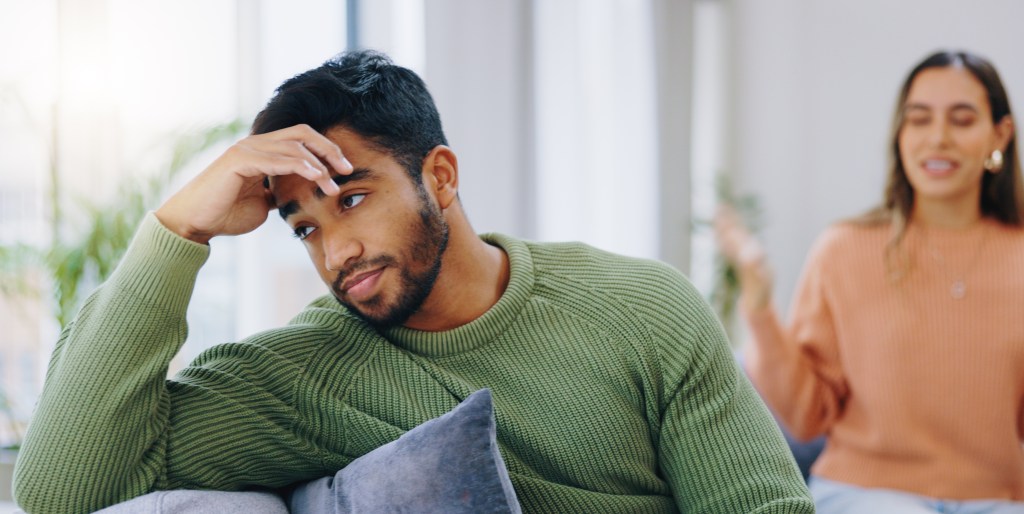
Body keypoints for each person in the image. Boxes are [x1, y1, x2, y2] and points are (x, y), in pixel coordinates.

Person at [13, 50, 813, 514]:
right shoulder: (305, 374)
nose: (336, 252)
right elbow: (58, 490)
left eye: (352, 198)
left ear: (441, 175)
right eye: (305, 227)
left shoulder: (644, 307)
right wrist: (176, 231)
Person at [716, 49, 1024, 513]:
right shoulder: (843, 249)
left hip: (997, 498)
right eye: (919, 120)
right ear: (901, 134)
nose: (937, 138)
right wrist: (759, 307)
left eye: (961, 120)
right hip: (867, 492)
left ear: (999, 134)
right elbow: (805, 415)